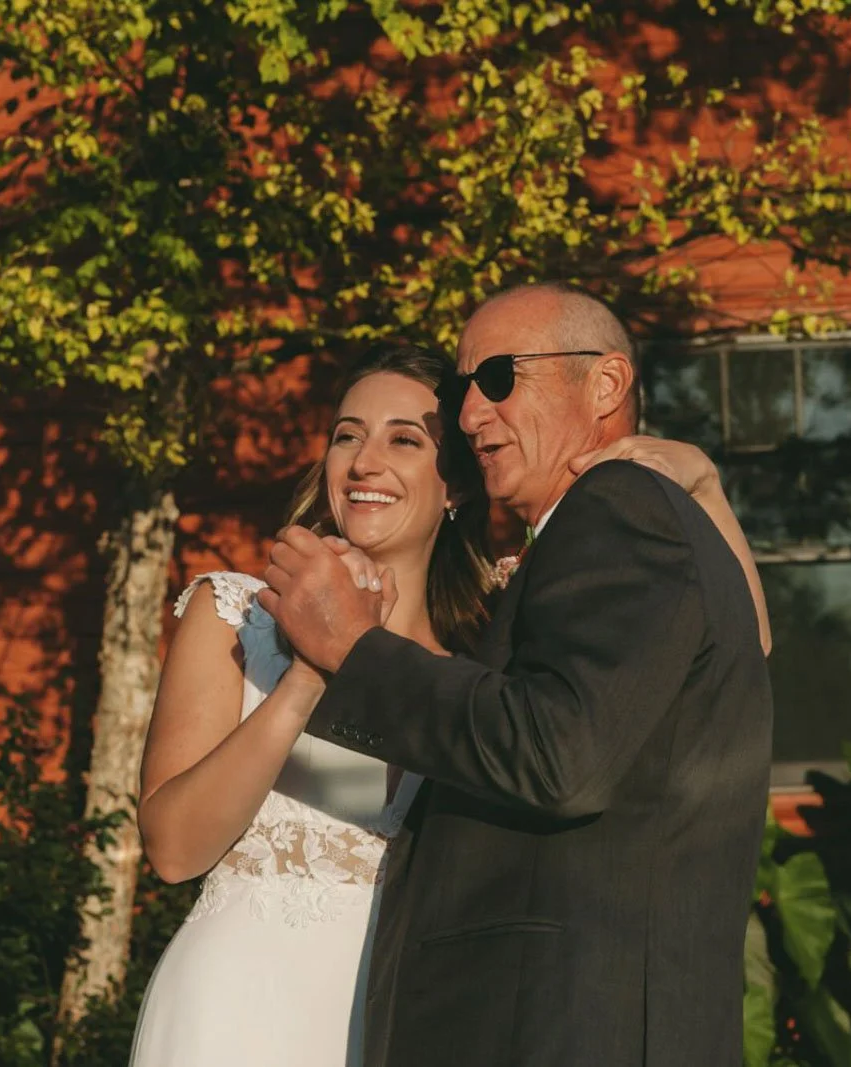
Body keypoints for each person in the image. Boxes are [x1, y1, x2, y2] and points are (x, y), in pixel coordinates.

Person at [259, 284, 774, 1067]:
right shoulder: (599, 537)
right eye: (465, 390)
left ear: (605, 385)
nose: (468, 415)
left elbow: (557, 754)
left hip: (565, 1027)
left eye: (500, 377)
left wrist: (353, 649)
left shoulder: (619, 506)